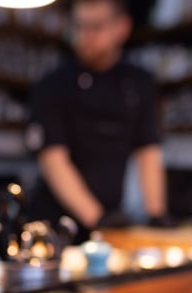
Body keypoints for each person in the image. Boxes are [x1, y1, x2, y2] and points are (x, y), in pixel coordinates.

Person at [27, 0, 168, 235]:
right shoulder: (52, 85)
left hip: (110, 222)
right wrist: (97, 218)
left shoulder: (139, 83)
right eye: (79, 26)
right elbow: (53, 159)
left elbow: (148, 151)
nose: (85, 36)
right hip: (58, 225)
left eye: (95, 26)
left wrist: (156, 216)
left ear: (122, 27)